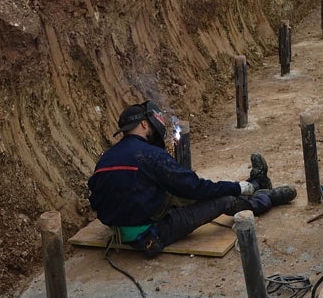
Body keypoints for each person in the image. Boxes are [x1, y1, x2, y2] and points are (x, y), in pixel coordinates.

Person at [88, 100, 295, 257]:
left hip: (119, 231)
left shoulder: (106, 157)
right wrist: (237, 187)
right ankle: (264, 197)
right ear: (144, 124)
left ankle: (254, 184)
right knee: (222, 201)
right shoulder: (151, 155)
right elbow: (195, 188)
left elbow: (96, 198)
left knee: (176, 194)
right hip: (151, 234)